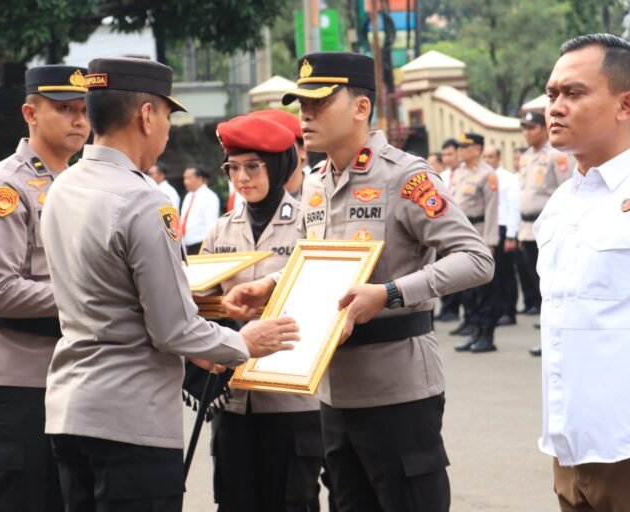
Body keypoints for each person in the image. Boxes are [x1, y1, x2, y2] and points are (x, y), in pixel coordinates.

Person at [222, 52, 494, 511]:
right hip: (331, 388)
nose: (305, 115)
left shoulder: (406, 177)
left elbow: (476, 258)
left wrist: (390, 293)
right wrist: (270, 285)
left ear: (361, 107)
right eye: (301, 105)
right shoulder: (314, 182)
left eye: (319, 102)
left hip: (397, 386)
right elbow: (317, 264)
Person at [39, 57, 300, 512]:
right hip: (130, 422)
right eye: (166, 115)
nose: (166, 130)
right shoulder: (143, 200)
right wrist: (243, 341)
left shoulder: (64, 185)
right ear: (146, 115)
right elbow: (172, 328)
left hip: (70, 409)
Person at [0, 64, 90, 512]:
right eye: (64, 109)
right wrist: (90, 298)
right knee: (26, 499)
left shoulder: (79, 185)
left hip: (67, 373)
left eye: (84, 110)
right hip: (16, 378)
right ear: (30, 113)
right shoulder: (6, 185)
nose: (79, 120)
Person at [201, 114, 323, 511]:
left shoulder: (310, 223)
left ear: (279, 165)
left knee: (291, 502)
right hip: (233, 397)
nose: (241, 177)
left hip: (291, 398)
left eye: (253, 166)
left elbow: (323, 292)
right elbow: (200, 305)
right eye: (232, 167)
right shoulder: (221, 229)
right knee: (236, 501)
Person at [536, 33, 630, 510]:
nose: (555, 106)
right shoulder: (560, 203)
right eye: (552, 94)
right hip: (569, 447)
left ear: (625, 104)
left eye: (574, 93)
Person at [518, 110, 573, 356]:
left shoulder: (556, 156)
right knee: (537, 285)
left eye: (531, 128)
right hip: (528, 229)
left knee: (552, 287)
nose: (527, 133)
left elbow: (567, 189)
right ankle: (549, 337)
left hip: (549, 228)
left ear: (543, 128)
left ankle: (560, 336)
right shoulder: (526, 157)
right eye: (524, 128)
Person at [449, 132, 500, 353]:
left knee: (484, 290)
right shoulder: (459, 172)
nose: (460, 150)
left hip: (478, 232)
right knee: (467, 288)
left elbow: (491, 210)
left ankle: (486, 334)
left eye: (465, 147)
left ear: (477, 149)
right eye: (459, 146)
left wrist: (489, 242)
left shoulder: (487, 175)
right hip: (460, 233)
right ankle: (473, 330)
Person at [482, 145, 521, 326]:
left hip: (505, 228)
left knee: (506, 274)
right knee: (492, 274)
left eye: (491, 157)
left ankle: (509, 311)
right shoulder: (483, 177)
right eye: (485, 157)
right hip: (489, 228)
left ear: (498, 158)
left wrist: (511, 235)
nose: (488, 160)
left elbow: (513, 207)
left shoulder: (508, 178)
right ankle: (496, 310)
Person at [250, 108, 308, 200]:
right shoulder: (243, 200)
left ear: (303, 151)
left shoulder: (324, 193)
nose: (270, 158)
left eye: (279, 146)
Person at [436, 138, 462, 322]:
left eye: (450, 154)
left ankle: (455, 311)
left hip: (460, 228)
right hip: (443, 229)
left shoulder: (466, 174)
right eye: (444, 154)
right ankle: (447, 309)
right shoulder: (441, 176)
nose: (447, 158)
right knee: (443, 271)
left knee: (459, 272)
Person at [180, 164, 220, 254]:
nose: (185, 182)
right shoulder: (188, 196)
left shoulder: (209, 197)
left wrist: (207, 248)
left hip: (200, 244)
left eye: (189, 178)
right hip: (185, 244)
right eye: (184, 178)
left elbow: (211, 225)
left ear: (200, 179)